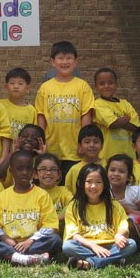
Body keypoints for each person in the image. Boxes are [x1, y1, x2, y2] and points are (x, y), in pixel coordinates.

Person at [0, 150, 62, 265]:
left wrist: (30, 241)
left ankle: (9, 257)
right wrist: (6, 239)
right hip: (9, 242)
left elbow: (50, 226)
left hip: (33, 243)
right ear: (11, 171)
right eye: (20, 168)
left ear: (33, 172)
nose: (24, 172)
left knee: (55, 239)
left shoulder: (42, 195)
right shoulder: (2, 196)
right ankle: (25, 258)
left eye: (28, 169)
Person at [35, 41, 95, 179]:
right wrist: (41, 142)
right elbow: (41, 117)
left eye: (69, 58)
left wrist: (83, 143)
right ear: (52, 62)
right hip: (51, 149)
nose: (65, 62)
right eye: (60, 58)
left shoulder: (83, 86)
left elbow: (86, 116)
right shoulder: (45, 88)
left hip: (75, 151)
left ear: (75, 61)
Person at [63, 163, 138, 270]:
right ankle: (113, 259)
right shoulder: (74, 206)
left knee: (131, 244)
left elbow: (123, 224)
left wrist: (119, 235)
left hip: (111, 245)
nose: (93, 186)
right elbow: (74, 235)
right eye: (88, 182)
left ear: (105, 185)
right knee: (68, 246)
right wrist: (93, 246)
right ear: (80, 183)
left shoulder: (114, 205)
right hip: (86, 246)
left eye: (98, 182)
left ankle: (90, 263)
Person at [107, 154, 140, 251]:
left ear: (128, 177)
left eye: (121, 171)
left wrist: (128, 210)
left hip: (133, 227)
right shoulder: (104, 191)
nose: (116, 174)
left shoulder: (134, 192)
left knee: (128, 222)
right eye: (112, 170)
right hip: (112, 226)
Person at [93, 68, 140, 160]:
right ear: (96, 87)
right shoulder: (97, 104)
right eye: (102, 83)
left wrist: (118, 121)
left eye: (110, 83)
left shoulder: (125, 103)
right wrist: (126, 118)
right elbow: (113, 124)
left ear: (116, 85)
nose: (106, 86)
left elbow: (136, 128)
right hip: (107, 157)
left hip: (129, 157)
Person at [34, 153, 72, 235]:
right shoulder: (31, 193)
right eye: (43, 169)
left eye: (53, 169)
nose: (48, 173)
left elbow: (74, 206)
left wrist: (53, 221)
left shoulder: (63, 191)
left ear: (58, 174)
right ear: (36, 174)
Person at [0, 67, 37, 142]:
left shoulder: (32, 111)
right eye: (12, 83)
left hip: (20, 152)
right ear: (6, 87)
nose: (16, 86)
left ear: (27, 88)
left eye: (20, 83)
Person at [63, 124, 104, 194]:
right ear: (80, 145)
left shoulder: (108, 166)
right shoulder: (74, 170)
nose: (92, 145)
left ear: (102, 144)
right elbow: (68, 194)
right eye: (87, 142)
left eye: (96, 142)